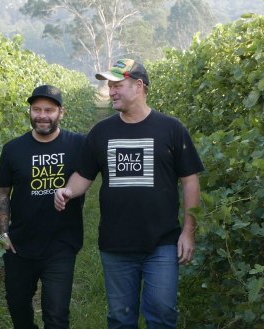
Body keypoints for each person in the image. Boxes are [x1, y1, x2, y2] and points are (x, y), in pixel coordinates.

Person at [54, 59, 204, 329]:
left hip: (162, 242)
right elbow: (83, 176)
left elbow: (190, 180)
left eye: (117, 85)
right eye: (109, 85)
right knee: (120, 318)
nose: (111, 91)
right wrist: (67, 190)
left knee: (162, 313)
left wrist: (188, 231)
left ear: (138, 86)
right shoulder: (101, 132)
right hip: (116, 243)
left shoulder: (171, 129)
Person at [0, 85, 85, 329]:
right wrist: (3, 233)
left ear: (60, 113)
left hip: (61, 244)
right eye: (36, 109)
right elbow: (3, 191)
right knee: (18, 309)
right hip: (20, 245)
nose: (42, 115)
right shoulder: (13, 149)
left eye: (49, 109)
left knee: (56, 315)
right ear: (30, 112)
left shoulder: (78, 144)